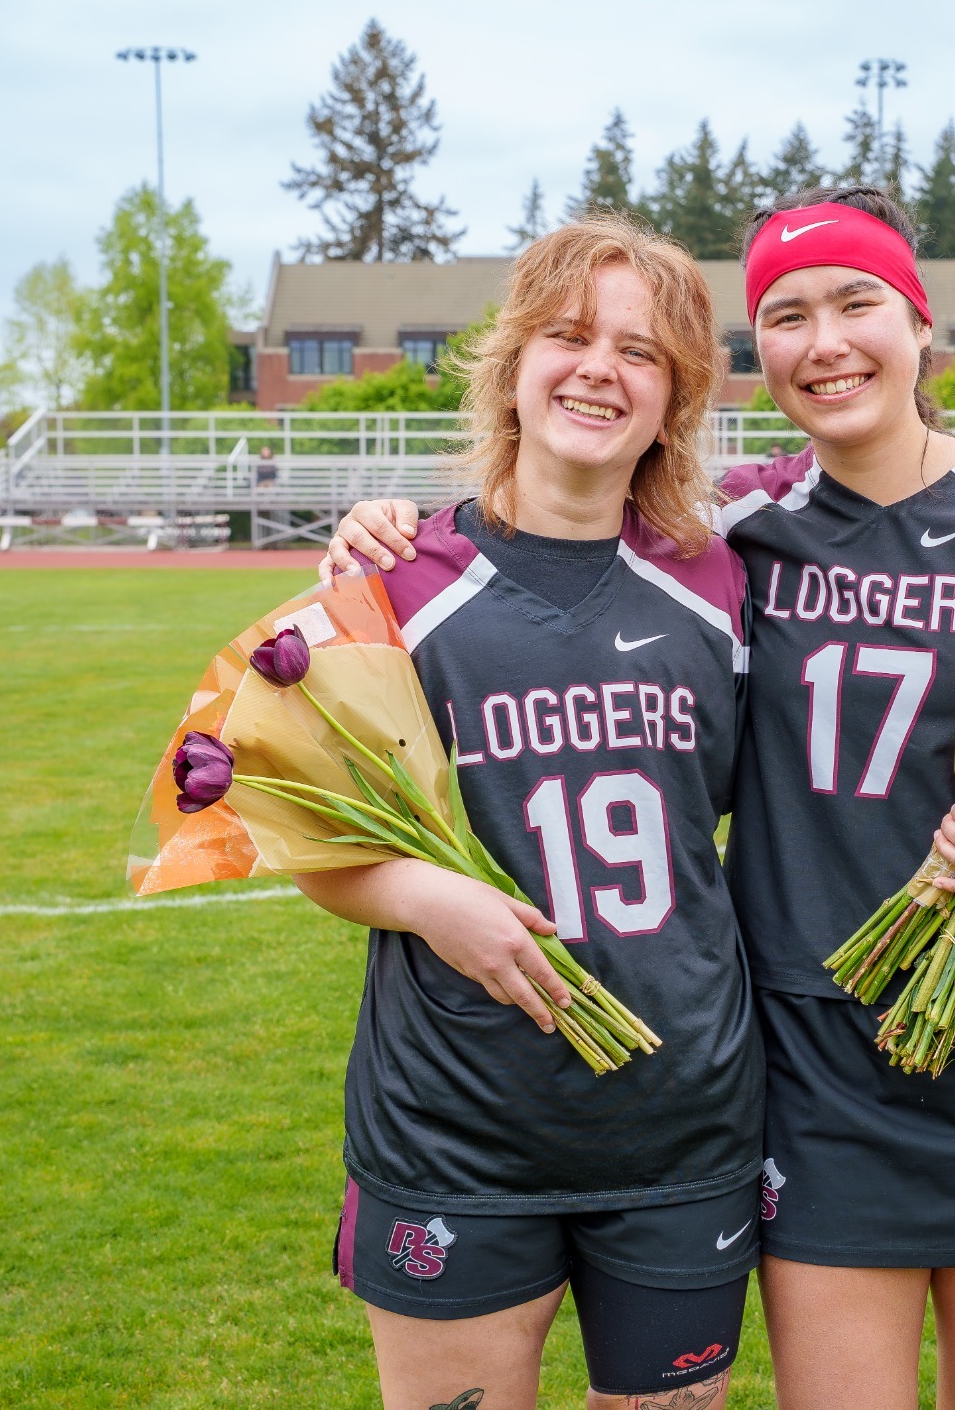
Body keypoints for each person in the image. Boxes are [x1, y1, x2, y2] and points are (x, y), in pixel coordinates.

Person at [323, 187, 955, 1410]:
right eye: (787, 317)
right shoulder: (733, 533)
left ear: (921, 323)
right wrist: (384, 529)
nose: (826, 341)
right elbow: (549, 531)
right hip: (810, 1068)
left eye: (857, 303)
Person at [294, 215, 760, 1410]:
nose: (599, 369)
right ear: (512, 364)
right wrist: (426, 898)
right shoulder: (391, 583)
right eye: (568, 336)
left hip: (680, 1121)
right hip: (454, 1123)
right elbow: (314, 837)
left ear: (674, 399)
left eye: (639, 352)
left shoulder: (720, 584)